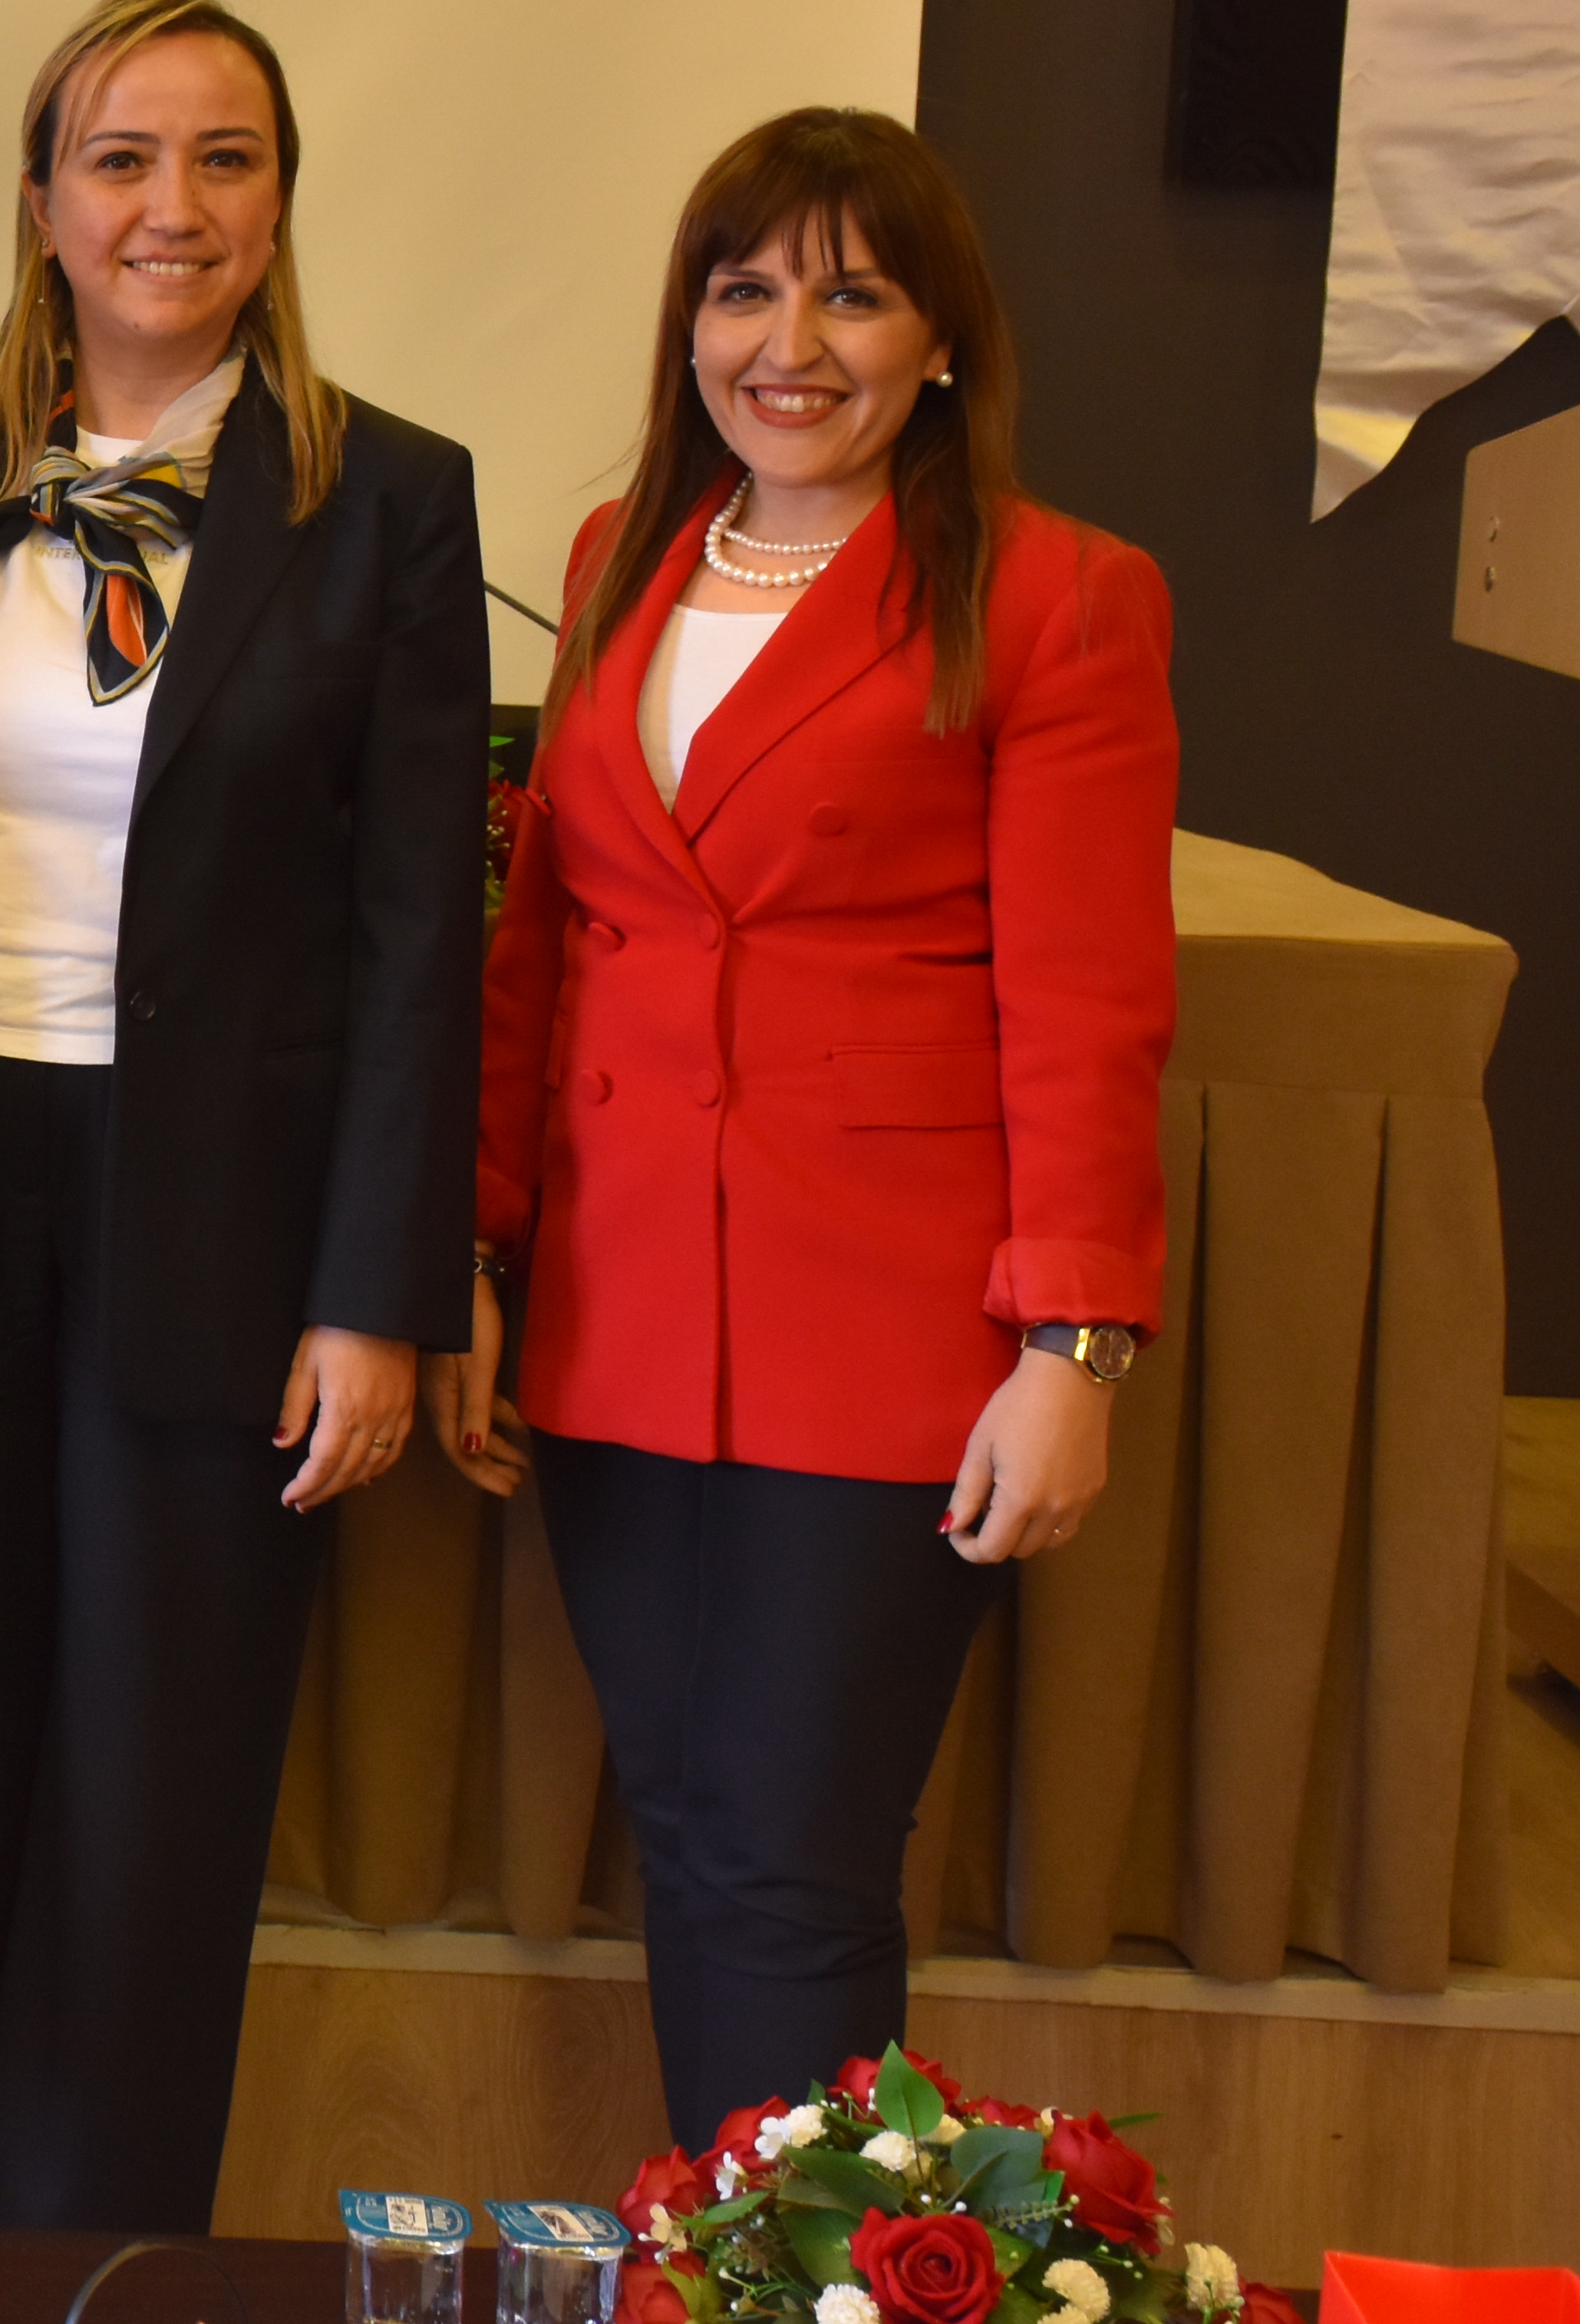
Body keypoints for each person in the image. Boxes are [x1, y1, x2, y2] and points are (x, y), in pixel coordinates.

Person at [0, 0, 482, 2231]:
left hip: (222, 1226)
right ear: (40, 201)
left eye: (224, 159)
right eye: (120, 158)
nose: (171, 205)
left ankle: (94, 2277)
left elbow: (416, 930)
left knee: (156, 1806)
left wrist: (378, 1294)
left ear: (280, 201)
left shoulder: (388, 497)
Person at [435, 109, 1173, 2143]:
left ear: (942, 340)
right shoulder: (621, 554)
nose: (791, 341)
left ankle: (811, 2268)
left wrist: (1076, 1343)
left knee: (789, 1850)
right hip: (619, 1313)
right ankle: (744, 2247)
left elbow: (1091, 998)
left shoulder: (1056, 591)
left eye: (853, 293)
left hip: (887, 1336)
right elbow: (546, 941)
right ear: (690, 325)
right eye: (746, 288)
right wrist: (477, 1250)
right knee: (689, 1829)